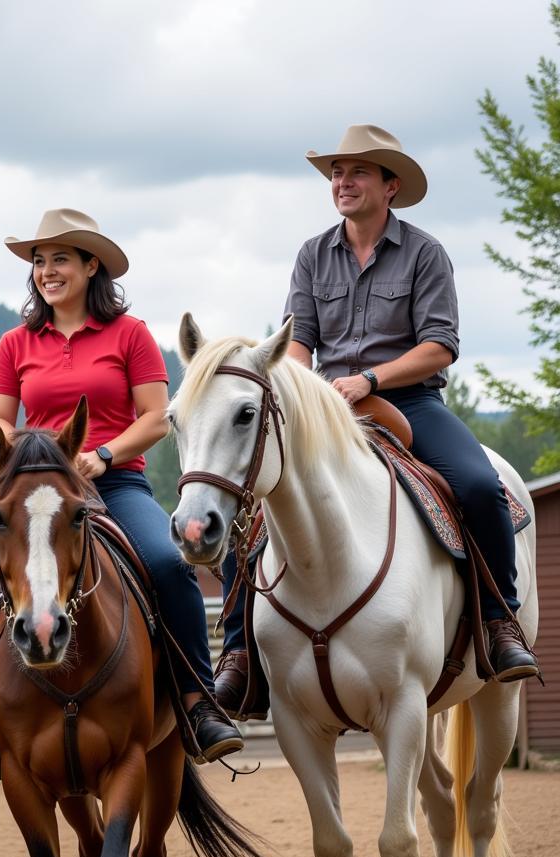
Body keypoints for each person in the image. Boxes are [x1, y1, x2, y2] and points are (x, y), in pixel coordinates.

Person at [214, 124, 539, 719]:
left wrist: (369, 380)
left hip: (409, 403)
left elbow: (439, 346)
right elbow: (298, 343)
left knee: (479, 485)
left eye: (357, 172)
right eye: (337, 172)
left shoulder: (425, 253)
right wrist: (303, 390)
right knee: (251, 508)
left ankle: (499, 623)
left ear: (391, 186)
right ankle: (239, 658)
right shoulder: (312, 254)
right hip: (324, 410)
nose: (342, 181)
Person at [0, 208, 244, 780]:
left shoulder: (130, 334)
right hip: (35, 490)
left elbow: (156, 418)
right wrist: (39, 463)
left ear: (93, 265)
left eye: (60, 259)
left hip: (115, 481)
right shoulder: (15, 342)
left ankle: (197, 704)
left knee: (168, 564)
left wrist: (103, 454)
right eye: (39, 262)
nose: (47, 271)